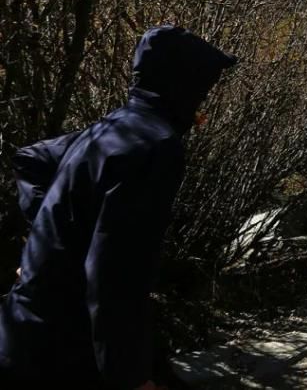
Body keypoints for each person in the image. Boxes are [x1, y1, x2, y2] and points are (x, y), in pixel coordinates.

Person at [0, 26, 236, 389]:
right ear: (184, 82)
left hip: (26, 327)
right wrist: (131, 377)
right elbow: (113, 276)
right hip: (63, 347)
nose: (206, 96)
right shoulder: (156, 146)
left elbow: (30, 159)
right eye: (204, 84)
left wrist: (45, 244)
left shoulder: (113, 128)